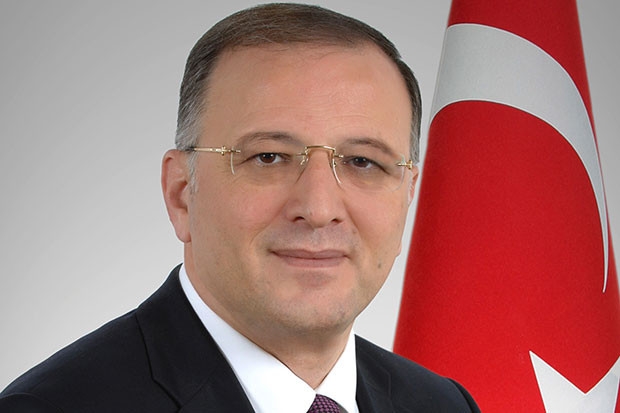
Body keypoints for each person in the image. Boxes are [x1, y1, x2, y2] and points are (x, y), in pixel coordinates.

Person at [0, 3, 479, 412]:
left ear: (407, 191)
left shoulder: (443, 404)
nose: (318, 208)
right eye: (268, 157)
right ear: (181, 192)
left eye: (362, 162)